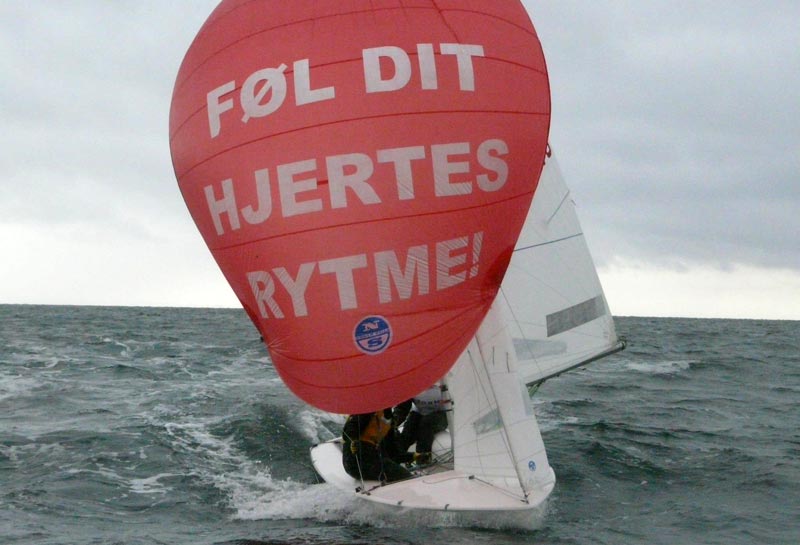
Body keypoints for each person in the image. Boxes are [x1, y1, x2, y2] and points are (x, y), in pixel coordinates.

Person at [341, 408, 413, 483]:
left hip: (374, 458)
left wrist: (414, 456)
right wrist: (354, 441)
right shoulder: (367, 410)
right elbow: (348, 432)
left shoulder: (389, 419)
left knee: (403, 474)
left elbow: (394, 453)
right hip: (357, 462)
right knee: (405, 476)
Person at [394, 383, 450, 465]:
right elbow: (403, 408)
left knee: (425, 424)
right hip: (420, 414)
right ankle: (396, 461)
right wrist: (393, 422)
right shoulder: (410, 384)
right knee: (409, 429)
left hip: (442, 414)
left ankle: (423, 461)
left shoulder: (440, 379)